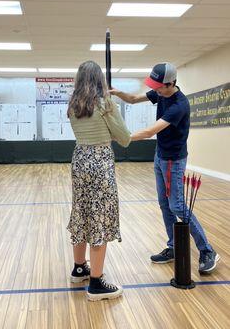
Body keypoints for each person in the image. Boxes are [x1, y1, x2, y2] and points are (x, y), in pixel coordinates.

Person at [110, 63, 220, 274]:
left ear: (170, 83)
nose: (156, 90)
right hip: (160, 155)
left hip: (173, 160)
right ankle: (174, 247)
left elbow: (151, 131)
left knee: (177, 206)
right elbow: (133, 100)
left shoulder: (179, 105)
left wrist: (122, 136)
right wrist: (117, 93)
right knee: (164, 204)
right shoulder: (161, 93)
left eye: (159, 86)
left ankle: (207, 251)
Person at [67, 60, 131, 301]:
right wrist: (112, 108)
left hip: (80, 159)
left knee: (82, 212)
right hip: (100, 162)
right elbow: (124, 138)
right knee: (100, 218)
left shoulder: (73, 105)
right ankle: (96, 283)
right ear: (99, 80)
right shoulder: (105, 104)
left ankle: (79, 268)